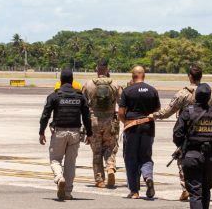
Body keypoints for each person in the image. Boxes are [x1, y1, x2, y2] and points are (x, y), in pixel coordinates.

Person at [152, 64, 212, 201]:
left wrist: (154, 115)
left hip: (187, 132)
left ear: (190, 76)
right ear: (201, 77)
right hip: (206, 132)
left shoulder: (183, 93)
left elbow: (167, 111)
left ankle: (186, 188)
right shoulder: (211, 94)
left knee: (183, 160)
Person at [39, 69, 93, 201]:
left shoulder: (54, 96)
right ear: (72, 80)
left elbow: (45, 115)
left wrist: (41, 132)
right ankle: (67, 192)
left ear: (61, 81)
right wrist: (90, 134)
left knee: (55, 159)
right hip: (75, 133)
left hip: (59, 132)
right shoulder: (80, 96)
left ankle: (59, 177)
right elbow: (87, 117)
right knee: (70, 163)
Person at [118, 65, 161, 199]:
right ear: (144, 75)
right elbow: (157, 110)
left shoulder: (127, 91)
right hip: (148, 127)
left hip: (132, 127)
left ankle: (135, 191)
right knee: (146, 156)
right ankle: (148, 177)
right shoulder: (152, 90)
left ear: (133, 76)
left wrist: (125, 122)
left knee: (131, 157)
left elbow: (120, 112)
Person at [82, 59, 122, 188]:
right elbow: (122, 103)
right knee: (110, 148)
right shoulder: (115, 85)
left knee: (97, 151)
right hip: (110, 121)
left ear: (96, 68)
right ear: (107, 69)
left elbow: (83, 104)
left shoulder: (88, 84)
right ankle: (110, 167)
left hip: (94, 121)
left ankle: (99, 180)